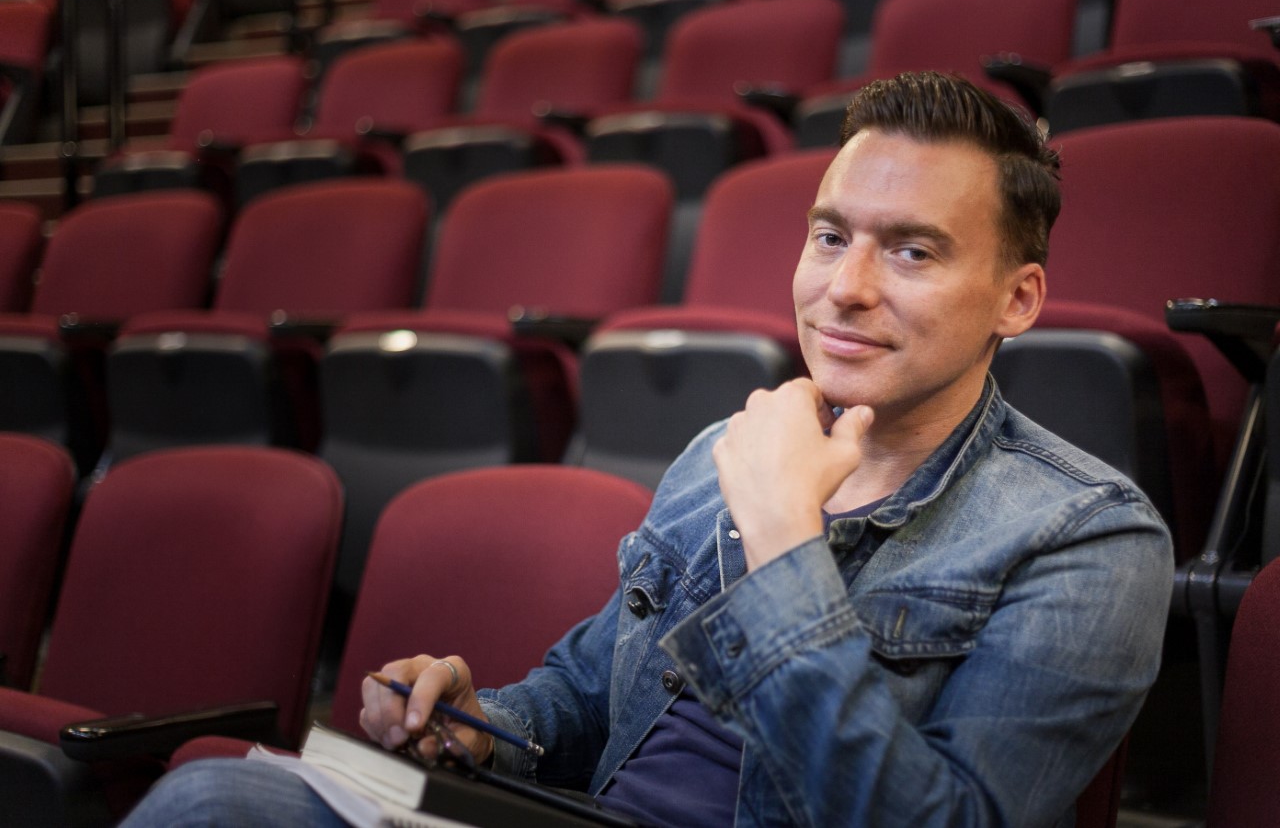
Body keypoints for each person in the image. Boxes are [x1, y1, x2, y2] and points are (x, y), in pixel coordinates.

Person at [121, 71, 1174, 828]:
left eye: (910, 251)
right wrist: (485, 719)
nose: (843, 287)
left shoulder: (1086, 539)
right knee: (220, 796)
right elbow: (590, 689)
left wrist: (781, 549)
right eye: (827, 234)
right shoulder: (727, 445)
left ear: (1016, 297)